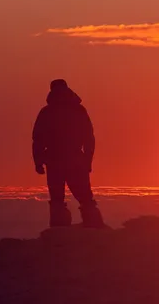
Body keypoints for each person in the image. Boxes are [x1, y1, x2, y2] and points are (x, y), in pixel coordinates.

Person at [32, 79, 105, 228]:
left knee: (59, 200)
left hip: (57, 161)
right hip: (72, 160)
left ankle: (61, 229)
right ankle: (93, 227)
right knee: (83, 198)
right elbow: (89, 137)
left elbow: (37, 138)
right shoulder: (78, 110)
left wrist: (38, 160)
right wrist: (87, 160)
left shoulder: (47, 111)